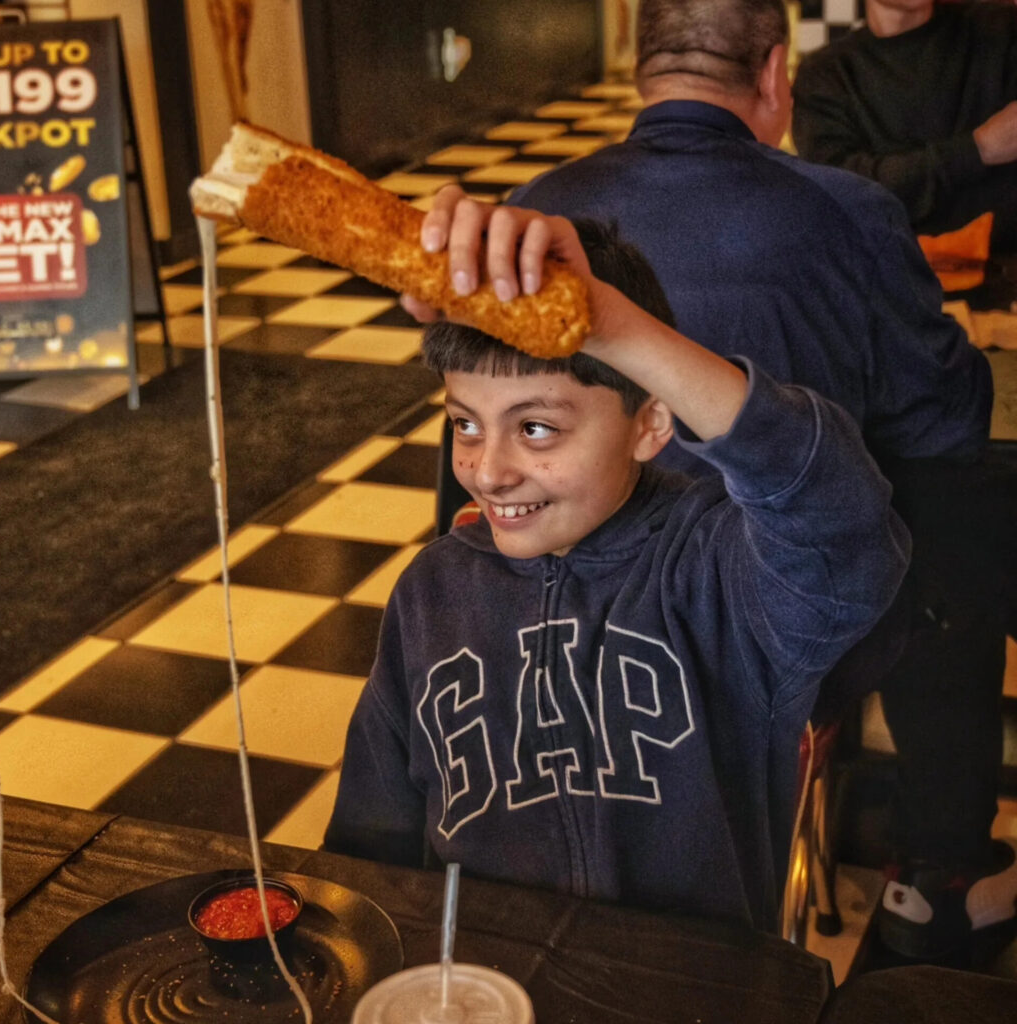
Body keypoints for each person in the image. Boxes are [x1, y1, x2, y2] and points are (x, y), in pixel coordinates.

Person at [496, 0, 1015, 962]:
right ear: (775, 74)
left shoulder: (533, 214)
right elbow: (946, 421)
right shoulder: (850, 210)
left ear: (644, 70)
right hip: (785, 629)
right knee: (950, 555)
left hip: (578, 619)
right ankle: (939, 876)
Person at [324, 207, 909, 934]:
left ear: (650, 424)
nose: (488, 470)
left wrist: (615, 328)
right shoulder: (432, 592)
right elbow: (368, 842)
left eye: (537, 427)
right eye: (465, 423)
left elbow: (841, 523)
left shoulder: (720, 572)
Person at [792, 0, 1017, 252]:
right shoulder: (825, 75)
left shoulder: (1000, 27)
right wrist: (978, 149)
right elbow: (842, 196)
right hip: (892, 281)